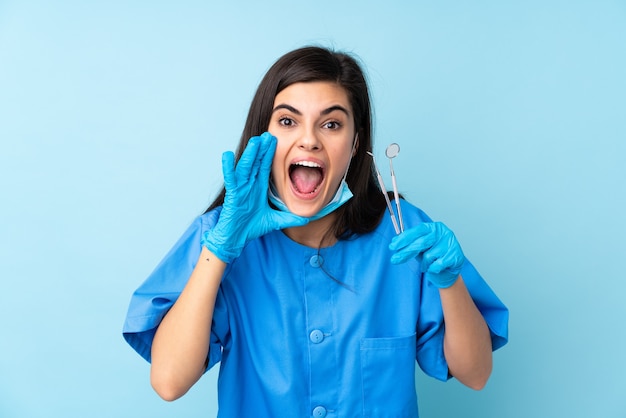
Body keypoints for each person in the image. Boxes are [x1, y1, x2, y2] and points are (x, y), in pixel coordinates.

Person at [123, 46, 508, 417]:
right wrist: (220, 250)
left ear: (356, 144)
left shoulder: (404, 233)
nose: (309, 139)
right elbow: (169, 382)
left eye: (331, 124)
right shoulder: (221, 236)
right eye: (288, 121)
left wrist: (451, 282)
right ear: (263, 138)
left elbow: (475, 374)